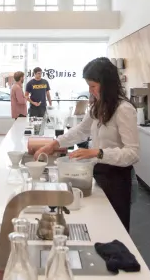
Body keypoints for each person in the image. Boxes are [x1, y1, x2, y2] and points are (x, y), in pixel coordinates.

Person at [34, 57, 139, 231]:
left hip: (118, 178)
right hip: (100, 173)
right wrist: (53, 144)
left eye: (93, 86)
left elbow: (132, 153)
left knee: (114, 230)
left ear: (107, 84)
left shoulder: (124, 109)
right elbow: (81, 130)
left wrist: (97, 152)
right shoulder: (98, 106)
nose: (90, 91)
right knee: (99, 225)